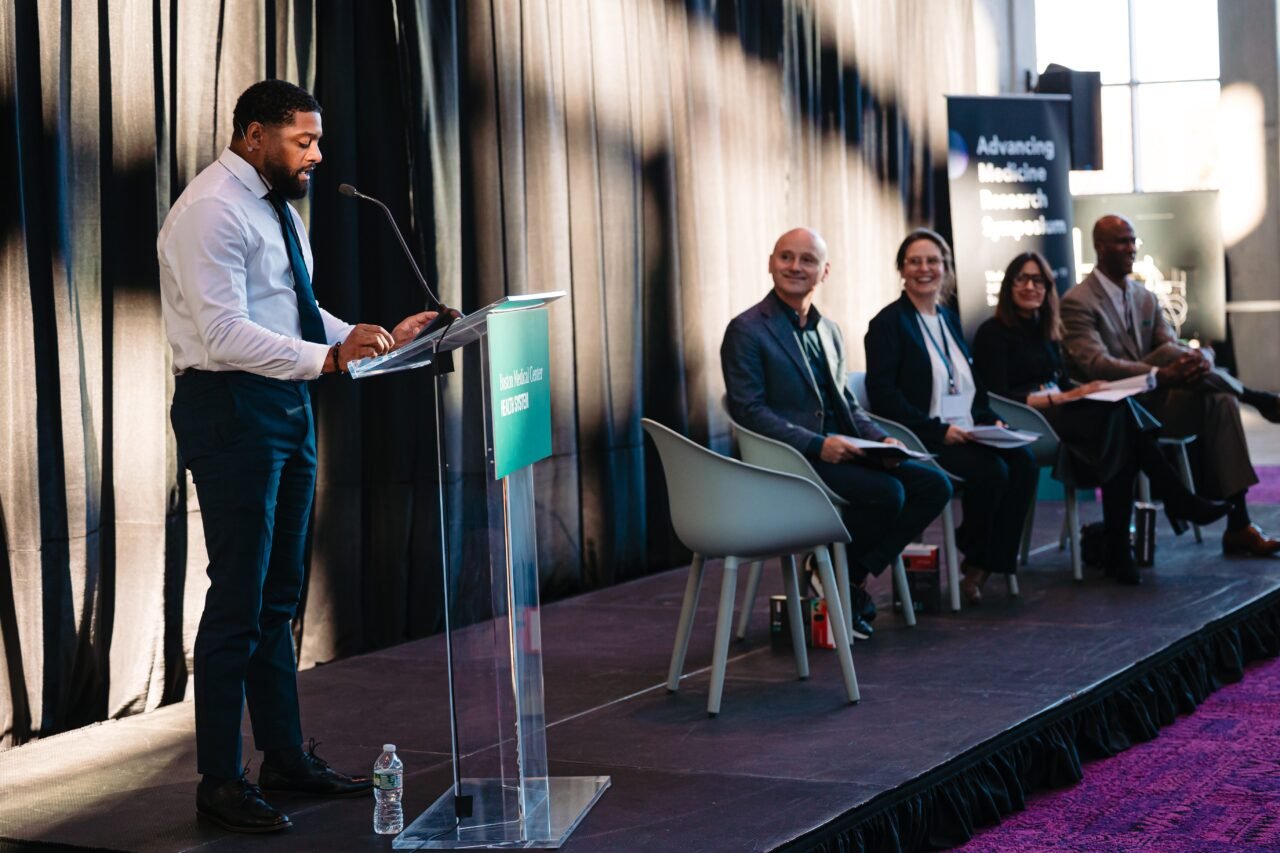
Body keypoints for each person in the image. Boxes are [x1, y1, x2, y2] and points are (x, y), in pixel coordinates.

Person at [158, 80, 437, 833]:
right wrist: (331, 356)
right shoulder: (212, 210)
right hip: (231, 409)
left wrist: (374, 337)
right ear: (254, 136)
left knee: (278, 596)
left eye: (317, 141)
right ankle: (219, 777)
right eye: (302, 141)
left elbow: (297, 313)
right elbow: (225, 335)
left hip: (285, 404)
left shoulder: (275, 208)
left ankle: (282, 754)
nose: (316, 154)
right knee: (239, 599)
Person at [722, 227, 952, 639]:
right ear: (770, 264)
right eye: (786, 257)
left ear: (824, 271)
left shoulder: (829, 331)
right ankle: (842, 581)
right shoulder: (747, 330)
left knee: (934, 484)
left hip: (841, 451)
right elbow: (750, 412)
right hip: (792, 460)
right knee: (888, 492)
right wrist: (817, 444)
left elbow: (848, 404)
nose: (796, 267)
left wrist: (881, 438)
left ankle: (845, 575)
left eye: (807, 260)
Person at [972, 251, 1230, 584]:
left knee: (1118, 424)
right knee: (1119, 425)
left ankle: (1124, 548)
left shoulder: (1045, 330)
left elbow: (1059, 378)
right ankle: (1171, 505)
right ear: (1009, 285)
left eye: (1039, 280)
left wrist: (1084, 388)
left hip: (1063, 410)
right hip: (1027, 418)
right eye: (1022, 279)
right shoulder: (992, 333)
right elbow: (997, 396)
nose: (1031, 287)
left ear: (1048, 288)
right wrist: (1064, 396)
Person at [1061, 215, 1280, 557]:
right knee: (1168, 356)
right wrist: (1162, 373)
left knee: (1219, 399)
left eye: (1133, 240)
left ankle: (1239, 525)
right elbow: (1096, 365)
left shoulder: (1143, 296)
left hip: (1155, 405)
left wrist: (1201, 356)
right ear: (1099, 247)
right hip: (1112, 413)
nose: (1131, 248)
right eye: (1122, 241)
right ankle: (1254, 397)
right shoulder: (1077, 302)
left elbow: (1172, 344)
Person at [864, 229, 1038, 604]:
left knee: (1024, 462)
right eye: (915, 261)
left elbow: (969, 389)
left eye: (933, 261)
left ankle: (986, 563)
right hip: (923, 436)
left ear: (945, 268)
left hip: (967, 431)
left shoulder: (948, 320)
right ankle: (976, 557)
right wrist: (940, 432)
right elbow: (883, 396)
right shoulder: (888, 324)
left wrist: (991, 421)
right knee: (993, 471)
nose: (924, 269)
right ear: (902, 269)